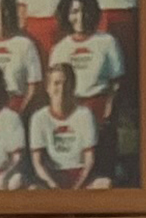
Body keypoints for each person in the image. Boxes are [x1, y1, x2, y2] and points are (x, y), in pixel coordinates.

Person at [27, 55, 102, 187]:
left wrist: (77, 186)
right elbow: (37, 163)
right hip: (52, 177)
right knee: (33, 189)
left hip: (80, 175)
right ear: (48, 88)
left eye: (65, 83)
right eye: (56, 83)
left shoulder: (84, 115)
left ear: (73, 87)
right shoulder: (39, 118)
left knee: (104, 184)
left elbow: (90, 160)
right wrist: (53, 186)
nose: (61, 89)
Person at [53, 0, 127, 110]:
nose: (80, 18)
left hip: (100, 105)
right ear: (66, 15)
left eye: (85, 11)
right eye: (74, 12)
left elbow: (117, 82)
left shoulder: (107, 42)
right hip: (71, 108)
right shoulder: (60, 48)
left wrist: (109, 108)